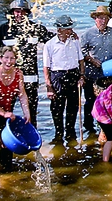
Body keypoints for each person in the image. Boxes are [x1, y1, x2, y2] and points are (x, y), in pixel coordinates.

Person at [0, 0, 55, 127]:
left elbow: (53, 41)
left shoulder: (36, 28)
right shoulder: (2, 30)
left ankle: (32, 139)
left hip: (30, 79)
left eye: (22, 11)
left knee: (31, 113)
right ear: (11, 12)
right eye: (16, 11)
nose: (19, 14)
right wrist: (2, 67)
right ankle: (5, 140)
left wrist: (68, 33)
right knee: (6, 112)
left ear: (27, 13)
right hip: (8, 80)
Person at [80, 5, 112, 134]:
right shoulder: (87, 34)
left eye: (105, 18)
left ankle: (105, 127)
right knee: (90, 101)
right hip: (92, 73)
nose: (103, 21)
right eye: (100, 18)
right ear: (95, 19)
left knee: (108, 101)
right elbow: (81, 53)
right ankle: (89, 128)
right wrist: (91, 60)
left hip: (109, 73)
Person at [43, 15, 85, 144]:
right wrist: (49, 86)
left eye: (70, 28)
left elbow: (81, 60)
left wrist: (82, 76)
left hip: (73, 75)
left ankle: (71, 133)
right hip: (57, 77)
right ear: (59, 29)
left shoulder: (75, 42)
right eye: (67, 29)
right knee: (57, 108)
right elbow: (46, 67)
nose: (70, 31)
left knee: (73, 107)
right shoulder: (49, 45)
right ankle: (58, 134)